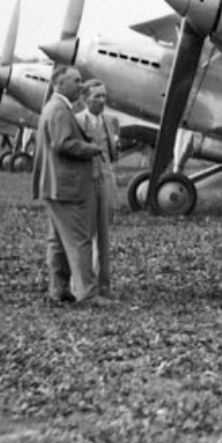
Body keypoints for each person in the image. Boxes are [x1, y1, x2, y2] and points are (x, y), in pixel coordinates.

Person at [32, 66, 107, 307]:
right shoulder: (60, 110)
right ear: (59, 84)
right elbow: (63, 144)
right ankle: (88, 293)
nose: (81, 85)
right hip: (66, 187)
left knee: (57, 241)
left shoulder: (53, 108)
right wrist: (92, 148)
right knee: (79, 239)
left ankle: (59, 289)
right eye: (75, 81)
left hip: (54, 186)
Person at [77, 80, 123, 298]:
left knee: (104, 235)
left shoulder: (112, 121)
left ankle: (104, 283)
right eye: (97, 96)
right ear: (85, 99)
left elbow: (114, 155)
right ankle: (84, 283)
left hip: (105, 180)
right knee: (85, 234)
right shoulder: (76, 121)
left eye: (104, 96)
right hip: (85, 183)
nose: (102, 101)